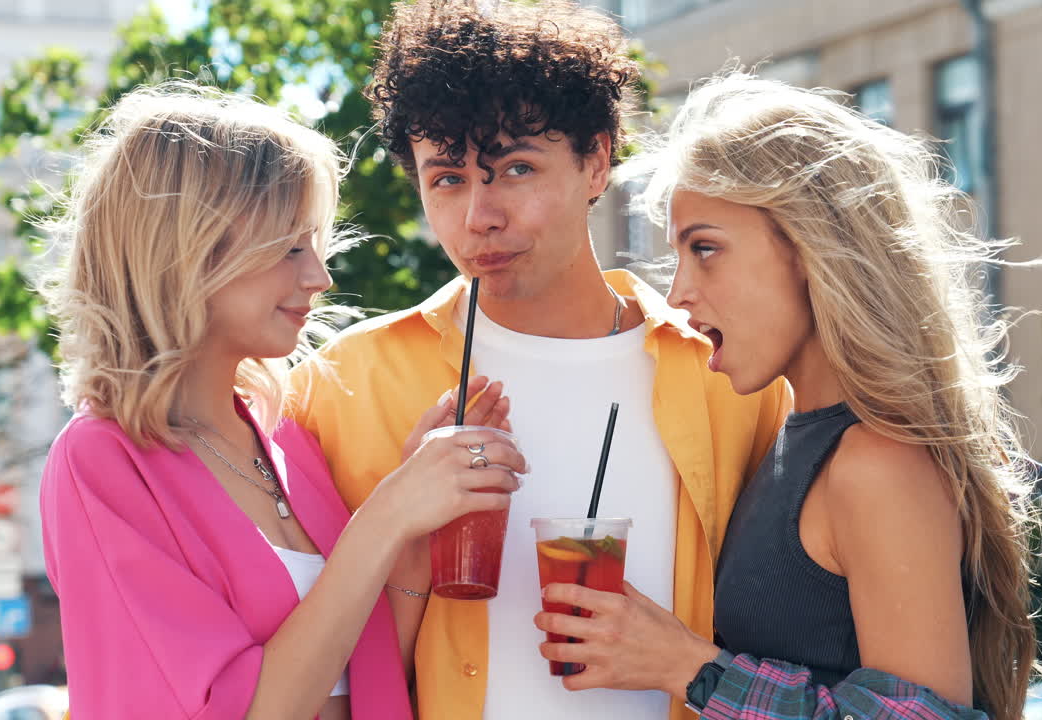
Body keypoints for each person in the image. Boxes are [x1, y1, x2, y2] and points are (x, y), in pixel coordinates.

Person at [287, 3, 791, 720]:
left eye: (515, 169)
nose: (479, 217)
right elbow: (318, 684)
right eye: (448, 179)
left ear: (596, 160)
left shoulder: (731, 377)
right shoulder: (343, 387)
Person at [534, 73, 1042, 720]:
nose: (679, 295)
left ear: (812, 248)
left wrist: (686, 665)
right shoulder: (791, 435)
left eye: (706, 249)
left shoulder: (877, 463)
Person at [38, 82, 524, 720]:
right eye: (289, 246)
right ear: (183, 250)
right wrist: (385, 514)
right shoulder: (101, 462)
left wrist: (410, 530)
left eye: (314, 245)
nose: (318, 277)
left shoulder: (285, 438)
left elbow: (367, 674)